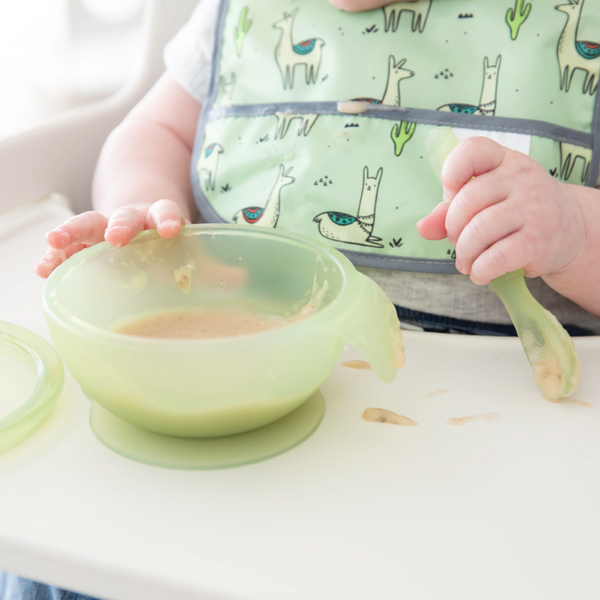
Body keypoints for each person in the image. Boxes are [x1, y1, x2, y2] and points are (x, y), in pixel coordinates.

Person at [8, 0, 600, 596]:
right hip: (231, 380)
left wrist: (573, 227)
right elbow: (153, 131)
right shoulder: (242, 17)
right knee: (57, 548)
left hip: (462, 453)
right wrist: (141, 209)